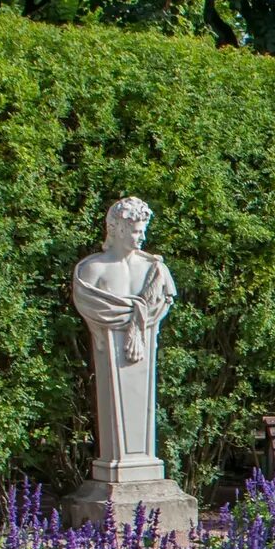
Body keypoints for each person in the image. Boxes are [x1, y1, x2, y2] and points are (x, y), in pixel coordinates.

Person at [71, 196, 177, 475]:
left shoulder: (156, 270)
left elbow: (161, 302)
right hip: (110, 347)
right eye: (135, 231)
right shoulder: (92, 271)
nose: (142, 237)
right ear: (116, 229)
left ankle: (141, 464)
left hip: (144, 345)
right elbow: (92, 304)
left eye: (143, 230)